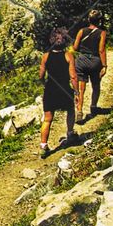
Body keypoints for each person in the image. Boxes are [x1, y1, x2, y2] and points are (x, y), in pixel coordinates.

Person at [39, 27, 78, 159]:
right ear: (65, 41)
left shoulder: (45, 56)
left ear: (52, 41)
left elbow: (40, 76)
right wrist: (76, 91)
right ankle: (70, 133)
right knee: (71, 109)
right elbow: (73, 76)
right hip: (64, 89)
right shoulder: (68, 56)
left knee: (48, 119)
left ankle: (43, 146)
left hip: (50, 90)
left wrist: (44, 84)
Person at [73, 10, 108, 123]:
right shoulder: (102, 33)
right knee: (96, 85)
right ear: (99, 20)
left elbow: (75, 47)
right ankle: (93, 107)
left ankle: (79, 111)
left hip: (82, 61)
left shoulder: (81, 31)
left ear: (88, 20)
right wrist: (104, 65)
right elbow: (101, 50)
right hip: (95, 62)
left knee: (81, 89)